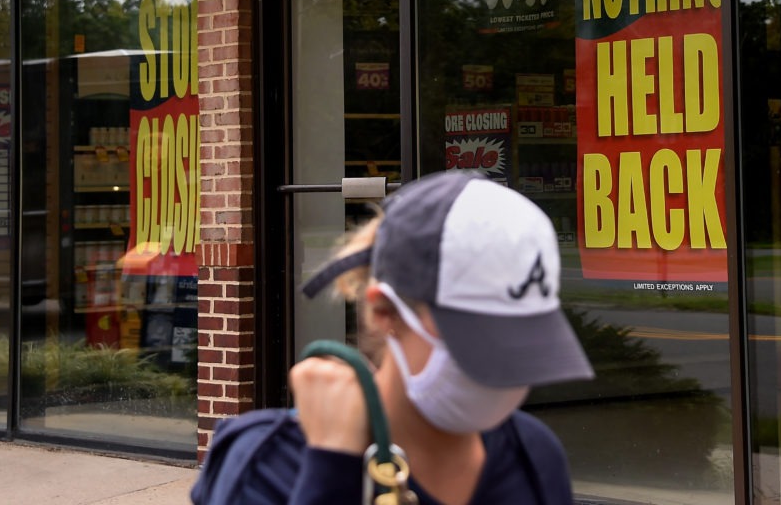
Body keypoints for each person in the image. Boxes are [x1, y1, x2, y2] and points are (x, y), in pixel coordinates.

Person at [191, 170, 594, 505]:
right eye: (481, 341)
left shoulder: (533, 454)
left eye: (527, 346)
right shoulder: (268, 464)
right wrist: (332, 467)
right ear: (384, 312)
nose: (506, 372)